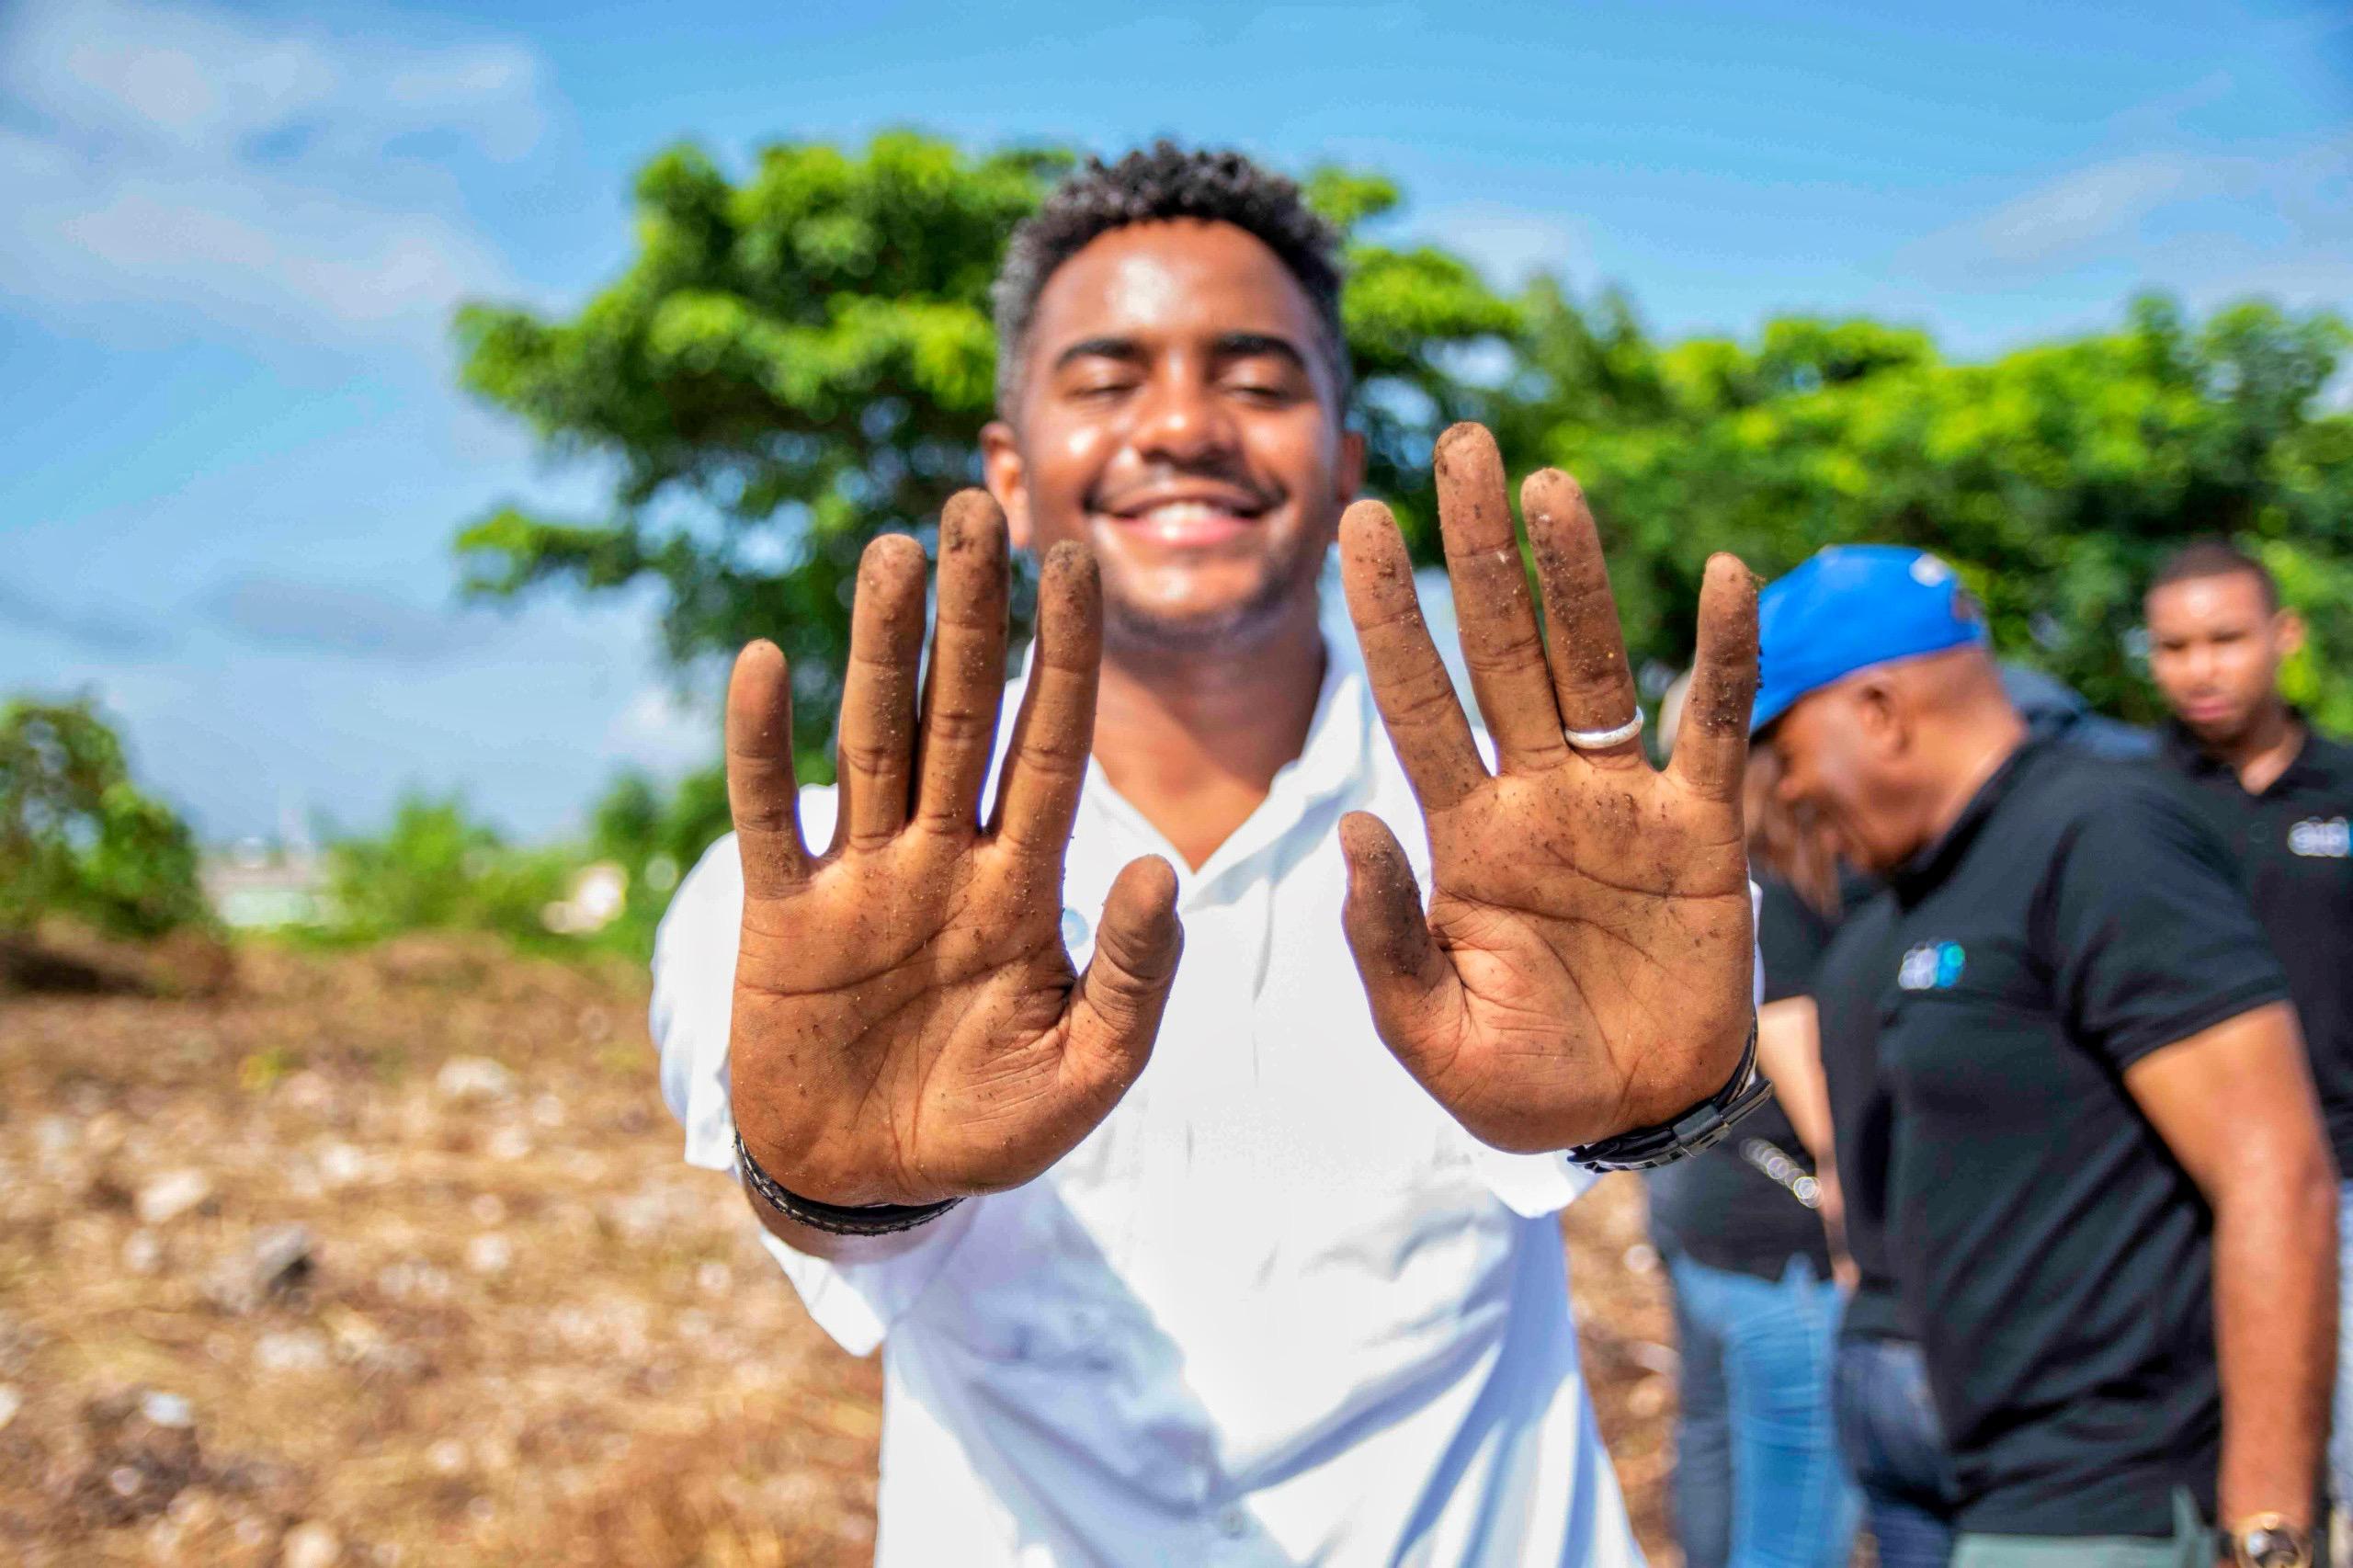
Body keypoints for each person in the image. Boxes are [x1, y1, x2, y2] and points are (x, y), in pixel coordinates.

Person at [653, 144, 1768, 1566]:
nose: (1183, 426)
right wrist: (838, 1179)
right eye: (1108, 380)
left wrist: (1656, 1105)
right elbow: (828, 1221)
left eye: (1255, 378)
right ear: (1008, 463)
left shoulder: (1538, 834)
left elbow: (1649, 1060)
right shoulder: (802, 893)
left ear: (1343, 457)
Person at [1756, 544, 2336, 1568]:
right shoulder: (1923, 882)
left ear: (1882, 709)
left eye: (1789, 749)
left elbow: (2274, 1172)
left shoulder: (2099, 834)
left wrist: (2267, 1529)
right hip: (1985, 1467)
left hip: (2103, 1489)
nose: (1791, 790)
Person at [2144, 540, 2353, 1540]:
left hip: (2340, 1185)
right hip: (2165, 1196)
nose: (2200, 668)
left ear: (2283, 636)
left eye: (2224, 639)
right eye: (2174, 645)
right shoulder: (2127, 803)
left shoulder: (2344, 790)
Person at [1647, 678, 1858, 1568]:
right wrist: (1856, 1213)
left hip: (1707, 1203)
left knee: (1714, 1445)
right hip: (1786, 1232)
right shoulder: (1774, 865)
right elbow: (1790, 1027)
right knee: (1799, 1506)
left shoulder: (1680, 864)